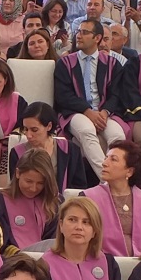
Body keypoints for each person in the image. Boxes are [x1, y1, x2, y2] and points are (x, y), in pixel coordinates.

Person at [55, 18, 129, 172]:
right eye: (78, 32)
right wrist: (88, 111)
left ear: (97, 38)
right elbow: (63, 96)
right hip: (76, 112)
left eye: (85, 32)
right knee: (87, 130)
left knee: (118, 136)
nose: (78, 36)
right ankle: (107, 178)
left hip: (103, 112)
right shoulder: (65, 63)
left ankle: (117, 173)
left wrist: (104, 112)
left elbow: (116, 95)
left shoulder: (112, 64)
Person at [39, 196, 121, 280]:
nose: (79, 227)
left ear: (95, 230)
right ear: (61, 225)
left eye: (86, 222)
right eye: (72, 220)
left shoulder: (108, 264)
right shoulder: (44, 266)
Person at [82, 140, 141, 258]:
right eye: (106, 158)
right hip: (100, 265)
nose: (104, 163)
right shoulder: (88, 198)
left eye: (113, 159)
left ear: (129, 171)